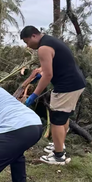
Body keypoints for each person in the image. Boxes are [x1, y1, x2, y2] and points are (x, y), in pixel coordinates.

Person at [20, 25, 86, 165]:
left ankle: (58, 156)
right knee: (63, 116)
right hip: (76, 83)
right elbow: (51, 68)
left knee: (56, 120)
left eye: (27, 42)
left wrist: (34, 95)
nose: (28, 46)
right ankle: (59, 144)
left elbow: (48, 75)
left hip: (67, 86)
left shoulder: (43, 48)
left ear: (33, 36)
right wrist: (39, 75)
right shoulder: (50, 41)